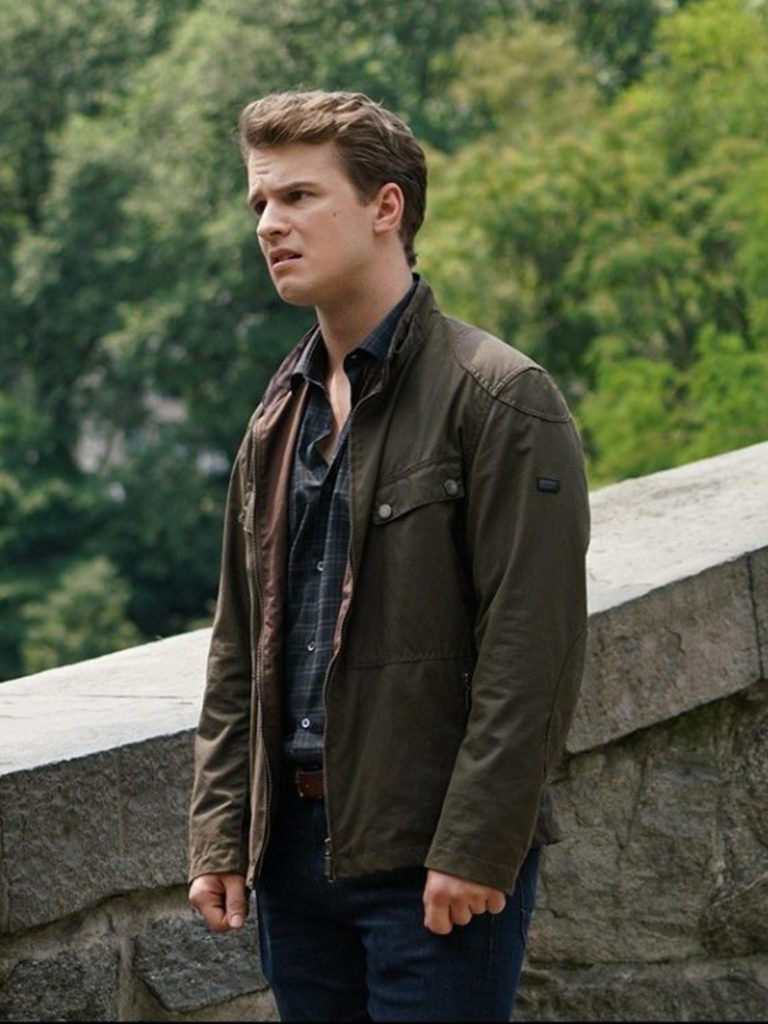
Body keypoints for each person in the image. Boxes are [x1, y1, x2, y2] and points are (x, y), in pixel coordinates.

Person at [188, 89, 589, 1023]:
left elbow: (532, 652)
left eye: (298, 196)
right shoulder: (277, 416)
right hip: (291, 861)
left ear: (386, 207)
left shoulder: (500, 396)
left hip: (431, 862)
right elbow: (238, 646)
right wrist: (220, 831)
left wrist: (478, 846)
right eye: (260, 203)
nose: (269, 224)